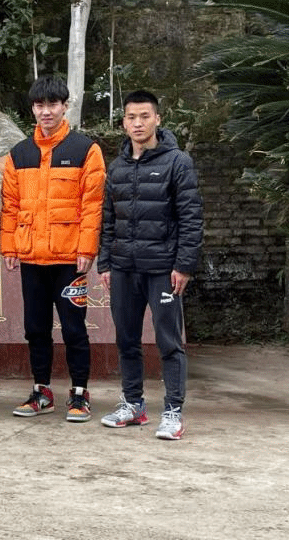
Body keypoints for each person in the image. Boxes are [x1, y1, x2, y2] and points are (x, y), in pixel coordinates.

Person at [98, 90, 203, 440]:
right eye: (131, 117)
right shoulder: (117, 167)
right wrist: (106, 264)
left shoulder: (178, 162)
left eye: (145, 116)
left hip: (163, 270)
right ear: (123, 123)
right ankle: (133, 405)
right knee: (126, 339)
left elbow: (191, 218)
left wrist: (183, 266)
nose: (138, 123)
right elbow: (108, 219)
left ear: (157, 119)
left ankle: (173, 411)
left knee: (168, 342)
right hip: (123, 269)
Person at [1, 76, 105, 422]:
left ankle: (79, 393)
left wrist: (87, 249)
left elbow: (92, 204)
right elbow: (10, 205)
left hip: (69, 259)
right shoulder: (19, 154)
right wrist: (10, 246)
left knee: (74, 328)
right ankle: (41, 391)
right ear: (32, 109)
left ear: (64, 106)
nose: (46, 111)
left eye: (52, 104)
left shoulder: (85, 150)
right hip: (32, 257)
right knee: (35, 328)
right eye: (39, 105)